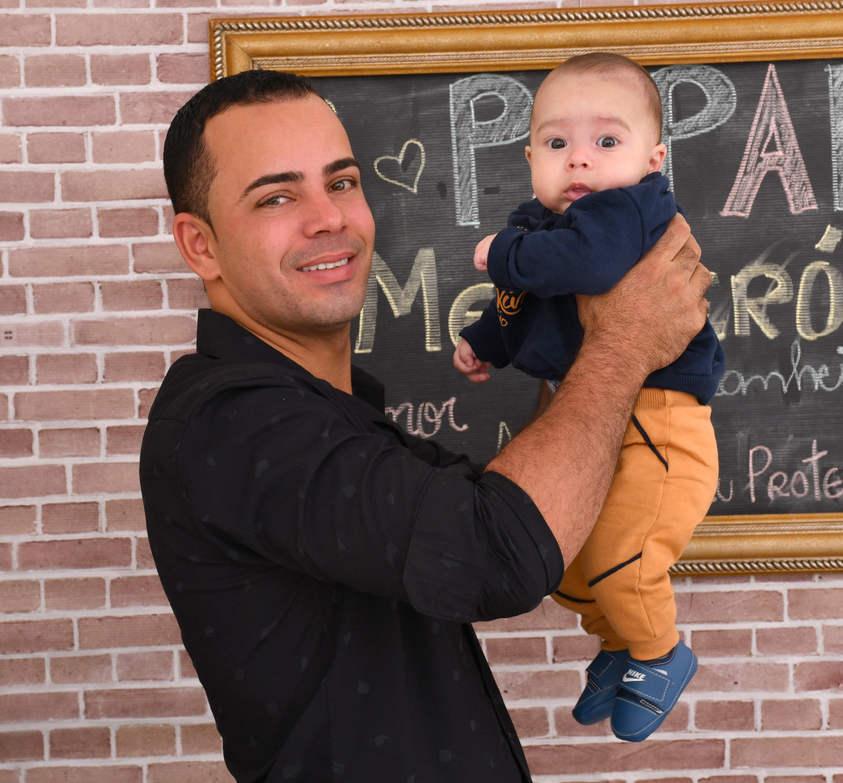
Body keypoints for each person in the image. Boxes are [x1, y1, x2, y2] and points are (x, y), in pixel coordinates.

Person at [141, 67, 711, 783]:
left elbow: (509, 508)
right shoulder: (231, 421)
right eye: (277, 197)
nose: (328, 218)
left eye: (342, 182)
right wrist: (623, 342)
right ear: (200, 246)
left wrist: (579, 334)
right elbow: (501, 552)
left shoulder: (328, 415)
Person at [454, 53, 724, 742]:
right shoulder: (538, 226)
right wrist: (485, 340)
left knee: (621, 560)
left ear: (653, 160)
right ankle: (620, 644)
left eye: (606, 141)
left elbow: (590, 265)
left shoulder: (630, 209)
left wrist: (504, 253)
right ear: (529, 158)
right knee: (568, 564)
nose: (579, 159)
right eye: (556, 143)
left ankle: (660, 653)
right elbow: (523, 301)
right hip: (592, 416)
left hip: (658, 418)